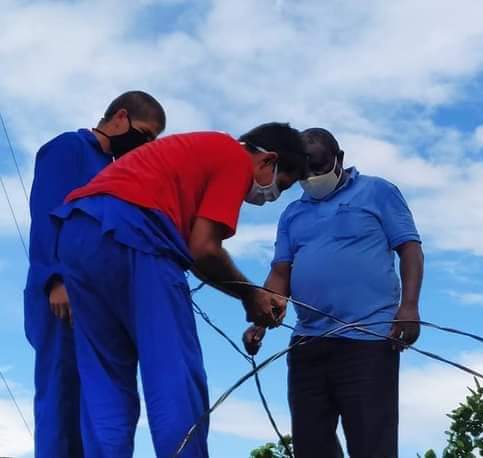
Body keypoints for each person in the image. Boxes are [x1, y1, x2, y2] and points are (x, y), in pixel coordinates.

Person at [51, 123, 307, 458]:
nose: (272, 196)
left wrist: (245, 292)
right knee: (174, 375)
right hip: (137, 236)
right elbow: (204, 249)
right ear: (267, 161)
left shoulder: (189, 151)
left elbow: (193, 251)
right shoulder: (233, 156)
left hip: (77, 237)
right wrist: (251, 294)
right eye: (281, 185)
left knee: (104, 380)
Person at [243, 128, 424, 458]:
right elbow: (281, 272)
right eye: (304, 171)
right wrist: (261, 319)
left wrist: (409, 307)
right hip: (308, 345)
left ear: (339, 159)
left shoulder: (377, 191)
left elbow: (410, 248)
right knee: (312, 447)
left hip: (367, 341)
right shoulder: (292, 213)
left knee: (372, 445)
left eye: (319, 167)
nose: (312, 178)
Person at [24, 90, 166, 458]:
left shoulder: (116, 171)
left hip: (100, 301)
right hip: (63, 295)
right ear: (120, 118)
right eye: (146, 135)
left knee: (104, 402)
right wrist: (54, 279)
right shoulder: (69, 148)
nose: (145, 146)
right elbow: (45, 213)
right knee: (61, 395)